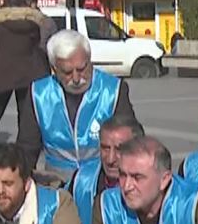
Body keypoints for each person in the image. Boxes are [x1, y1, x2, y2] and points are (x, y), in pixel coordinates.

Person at [33, 30, 136, 182]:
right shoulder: (38, 94)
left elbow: (133, 142)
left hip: (101, 181)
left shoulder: (113, 90)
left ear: (90, 61)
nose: (76, 78)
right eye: (67, 72)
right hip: (57, 184)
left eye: (81, 69)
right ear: (54, 69)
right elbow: (27, 148)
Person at [0, 0, 51, 158]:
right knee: (24, 113)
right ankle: (23, 150)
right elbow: (36, 45)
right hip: (27, 72)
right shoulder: (32, 23)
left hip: (3, 73)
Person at [71, 117, 144, 224]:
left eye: (119, 149)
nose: (110, 159)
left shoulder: (155, 188)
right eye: (105, 148)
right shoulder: (80, 182)